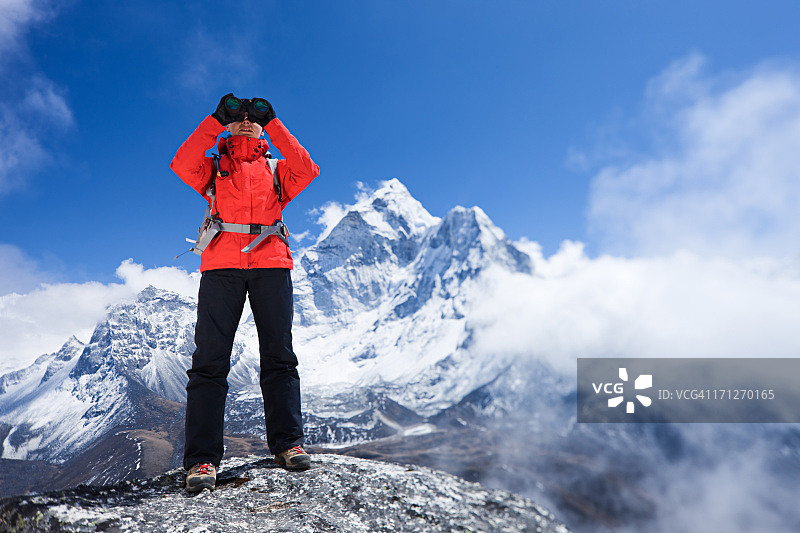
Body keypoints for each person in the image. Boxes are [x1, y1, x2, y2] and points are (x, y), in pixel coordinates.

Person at [170, 93, 320, 492]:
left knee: (279, 356)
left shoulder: (275, 168)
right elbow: (181, 163)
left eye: (253, 117)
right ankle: (202, 461)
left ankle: (288, 444)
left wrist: (274, 123)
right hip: (222, 266)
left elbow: (307, 169)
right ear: (228, 123)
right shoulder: (214, 168)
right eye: (239, 116)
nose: (246, 120)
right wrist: (215, 120)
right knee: (209, 362)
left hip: (271, 264)